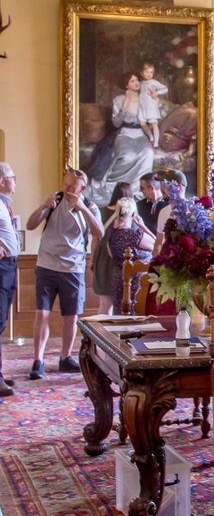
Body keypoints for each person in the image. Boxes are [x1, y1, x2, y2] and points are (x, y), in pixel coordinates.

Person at [27, 167, 104, 380]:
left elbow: (100, 233)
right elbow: (30, 224)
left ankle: (65, 357)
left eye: (72, 186)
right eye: (66, 184)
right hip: (46, 265)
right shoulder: (54, 200)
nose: (68, 189)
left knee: (71, 317)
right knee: (42, 313)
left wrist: (82, 208)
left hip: (73, 269)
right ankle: (38, 360)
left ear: (83, 188)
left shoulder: (89, 206)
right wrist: (44, 205)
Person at [91, 72, 155, 207]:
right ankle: (117, 188)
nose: (136, 82)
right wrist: (124, 107)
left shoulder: (145, 98)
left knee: (148, 153)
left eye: (137, 79)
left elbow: (149, 120)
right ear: (126, 85)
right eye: (132, 81)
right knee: (127, 156)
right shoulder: (119, 100)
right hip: (124, 134)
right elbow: (116, 123)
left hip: (140, 134)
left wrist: (152, 137)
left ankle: (139, 190)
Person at [92, 182, 135, 315]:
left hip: (102, 258)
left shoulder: (102, 210)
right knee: (122, 302)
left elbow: (95, 239)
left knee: (104, 304)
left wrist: (92, 260)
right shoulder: (129, 212)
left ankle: (100, 334)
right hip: (122, 260)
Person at [104, 196, 154, 306]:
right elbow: (157, 244)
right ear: (133, 215)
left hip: (118, 279)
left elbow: (112, 255)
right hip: (138, 282)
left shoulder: (111, 235)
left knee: (120, 314)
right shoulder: (136, 236)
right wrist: (143, 226)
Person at [0, 162, 19, 399]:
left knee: (1, 321)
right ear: (2, 181)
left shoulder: (5, 204)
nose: (15, 181)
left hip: (8, 265)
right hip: (1, 266)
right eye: (13, 177)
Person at [137, 60, 168, 148]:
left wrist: (156, 93)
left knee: (154, 124)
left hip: (150, 106)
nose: (149, 74)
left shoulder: (154, 82)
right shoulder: (141, 83)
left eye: (151, 72)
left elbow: (165, 89)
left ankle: (156, 142)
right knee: (142, 123)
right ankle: (150, 136)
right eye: (146, 72)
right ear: (142, 73)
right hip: (142, 106)